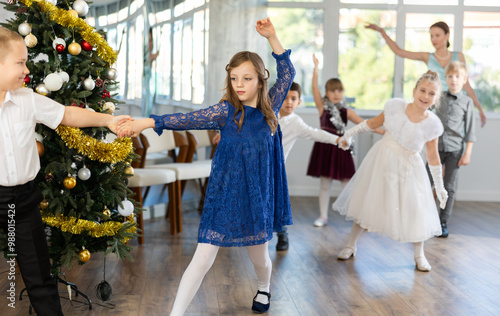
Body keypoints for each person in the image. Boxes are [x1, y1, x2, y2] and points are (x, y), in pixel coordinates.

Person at [118, 18, 294, 315]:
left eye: (247, 78)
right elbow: (187, 118)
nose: (240, 85)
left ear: (261, 81)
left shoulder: (271, 108)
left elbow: (287, 71)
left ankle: (264, 288)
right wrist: (147, 122)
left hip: (257, 197)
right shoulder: (225, 112)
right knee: (202, 257)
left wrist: (272, 36)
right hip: (224, 195)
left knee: (260, 258)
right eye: (235, 78)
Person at [0, 27, 131, 315]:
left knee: (38, 276)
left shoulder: (26, 99)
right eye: (19, 62)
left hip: (22, 201)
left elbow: (67, 114)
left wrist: (107, 120)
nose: (26, 69)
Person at [332, 71, 448, 272]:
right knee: (369, 201)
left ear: (436, 99)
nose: (425, 96)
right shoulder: (395, 107)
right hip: (383, 160)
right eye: (422, 90)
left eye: (431, 93)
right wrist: (349, 133)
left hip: (409, 167)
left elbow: (432, 156)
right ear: (414, 91)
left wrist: (440, 186)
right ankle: (351, 244)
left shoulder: (432, 124)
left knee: (415, 209)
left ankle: (419, 254)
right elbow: (372, 124)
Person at [307, 54, 384, 228]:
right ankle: (323, 216)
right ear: (326, 93)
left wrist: (382, 132)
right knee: (325, 185)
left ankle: (357, 218)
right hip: (325, 147)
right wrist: (316, 69)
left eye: (339, 90)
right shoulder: (322, 108)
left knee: (347, 186)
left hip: (342, 148)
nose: (336, 94)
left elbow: (365, 124)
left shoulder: (346, 111)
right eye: (332, 90)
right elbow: (314, 88)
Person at [365, 21, 487, 127]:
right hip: (435, 104)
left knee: (454, 143)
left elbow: (466, 85)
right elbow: (399, 51)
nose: (433, 39)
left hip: (455, 106)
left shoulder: (458, 56)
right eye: (431, 36)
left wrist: (479, 109)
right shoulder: (428, 57)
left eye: (437, 35)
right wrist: (382, 31)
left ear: (447, 36)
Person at [427, 61, 476, 238]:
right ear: (445, 78)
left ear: (464, 79)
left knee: (449, 186)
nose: (453, 80)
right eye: (450, 76)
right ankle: (421, 218)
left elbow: (470, 131)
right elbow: (425, 113)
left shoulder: (467, 102)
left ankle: (443, 222)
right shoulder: (438, 97)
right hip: (435, 147)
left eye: (457, 76)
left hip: (455, 150)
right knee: (426, 181)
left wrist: (467, 153)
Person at [142, 27, 159, 117]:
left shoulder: (151, 56)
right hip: (145, 90)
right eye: (148, 41)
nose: (150, 44)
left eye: (151, 41)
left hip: (150, 89)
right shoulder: (145, 57)